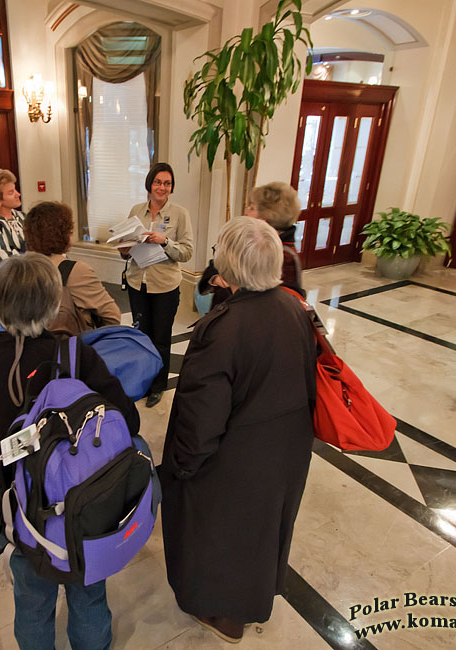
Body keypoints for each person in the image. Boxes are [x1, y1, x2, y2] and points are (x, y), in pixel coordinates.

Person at [0, 253, 139, 650]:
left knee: (31, 600)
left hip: (17, 506)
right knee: (89, 592)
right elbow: (128, 420)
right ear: (54, 304)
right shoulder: (77, 356)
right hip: (82, 505)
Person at [160, 216, 316, 643]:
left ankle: (223, 613)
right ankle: (254, 598)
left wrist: (180, 467)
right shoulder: (294, 306)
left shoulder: (223, 329)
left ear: (228, 264)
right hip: (285, 449)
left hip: (235, 458)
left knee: (218, 531)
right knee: (262, 530)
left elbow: (199, 420)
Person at [119, 162, 194, 407]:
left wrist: (165, 242)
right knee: (141, 335)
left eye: (167, 183)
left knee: (160, 338)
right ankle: (142, 380)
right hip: (137, 283)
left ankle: (158, 386)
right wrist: (124, 250)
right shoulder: (136, 210)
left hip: (165, 286)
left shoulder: (180, 214)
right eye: (158, 182)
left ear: (171, 187)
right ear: (149, 184)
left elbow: (187, 252)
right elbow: (127, 249)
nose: (162, 187)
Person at [198, 181, 304, 309]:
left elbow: (269, 305)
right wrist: (215, 278)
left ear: (267, 217)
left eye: (252, 207)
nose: (246, 211)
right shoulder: (247, 238)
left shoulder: (284, 256)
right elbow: (215, 265)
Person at [24, 201, 121, 335]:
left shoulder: (19, 269)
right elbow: (112, 316)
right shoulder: (75, 271)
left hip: (30, 349)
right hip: (69, 350)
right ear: (64, 234)